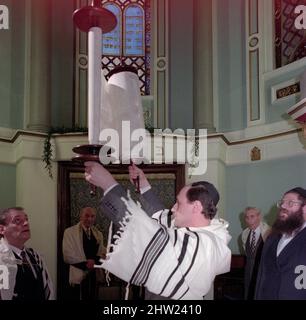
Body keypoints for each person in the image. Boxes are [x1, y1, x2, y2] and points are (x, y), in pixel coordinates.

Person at [84, 162, 231, 300]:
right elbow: (160, 215)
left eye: (179, 203)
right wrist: (142, 184)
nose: (173, 208)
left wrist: (108, 184)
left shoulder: (206, 244)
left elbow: (147, 234)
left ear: (196, 207)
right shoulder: (193, 231)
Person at [255, 187, 306, 299]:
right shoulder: (272, 238)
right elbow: (261, 277)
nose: (283, 206)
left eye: (290, 203)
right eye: (282, 203)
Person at [0, 207, 54, 300]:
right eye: (17, 220)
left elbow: (48, 292)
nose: (26, 223)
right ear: (2, 229)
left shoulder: (36, 257)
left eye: (26, 219)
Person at [62, 207, 106, 300]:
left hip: (94, 276)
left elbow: (102, 253)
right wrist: (86, 264)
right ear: (80, 216)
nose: (89, 219)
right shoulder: (69, 232)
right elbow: (67, 255)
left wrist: (95, 262)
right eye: (86, 216)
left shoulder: (99, 234)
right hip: (78, 276)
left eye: (92, 216)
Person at [241, 207, 270, 300]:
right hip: (248, 273)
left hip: (263, 273)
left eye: (252, 216)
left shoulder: (269, 232)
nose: (249, 220)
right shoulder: (244, 234)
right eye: (247, 217)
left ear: (259, 217)